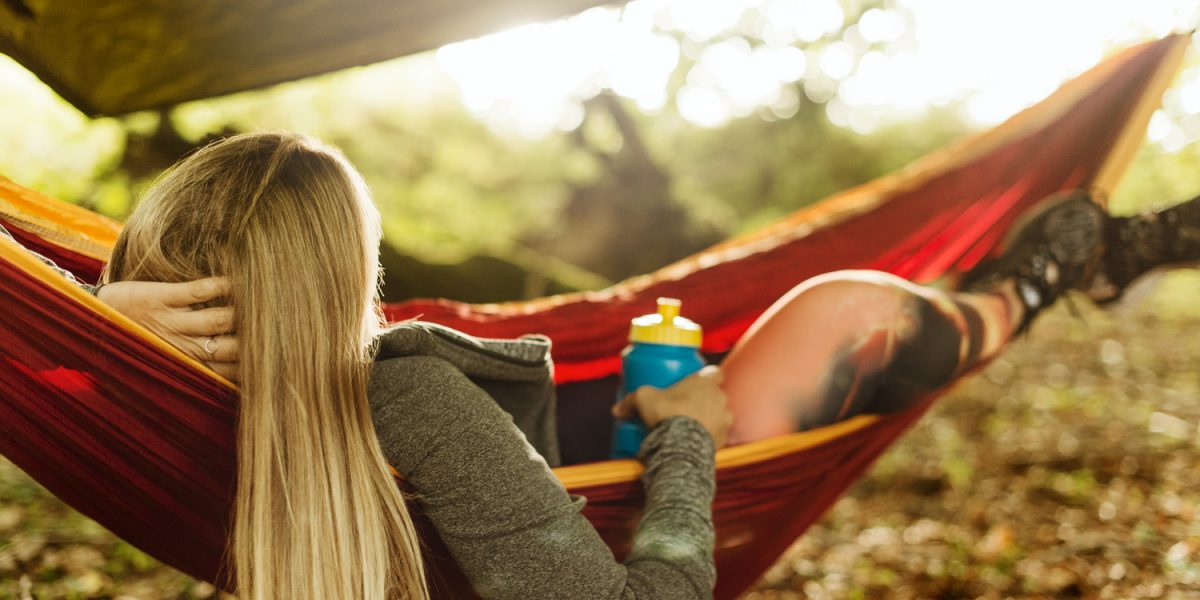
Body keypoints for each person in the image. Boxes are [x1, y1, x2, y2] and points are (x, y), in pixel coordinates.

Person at [13, 131, 1195, 599]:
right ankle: (1043, 281)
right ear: (341, 275)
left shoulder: (119, 375)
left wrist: (92, 320)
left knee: (854, 311)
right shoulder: (398, 396)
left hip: (574, 432)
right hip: (630, 442)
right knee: (854, 315)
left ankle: (1057, 271)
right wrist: (685, 434)